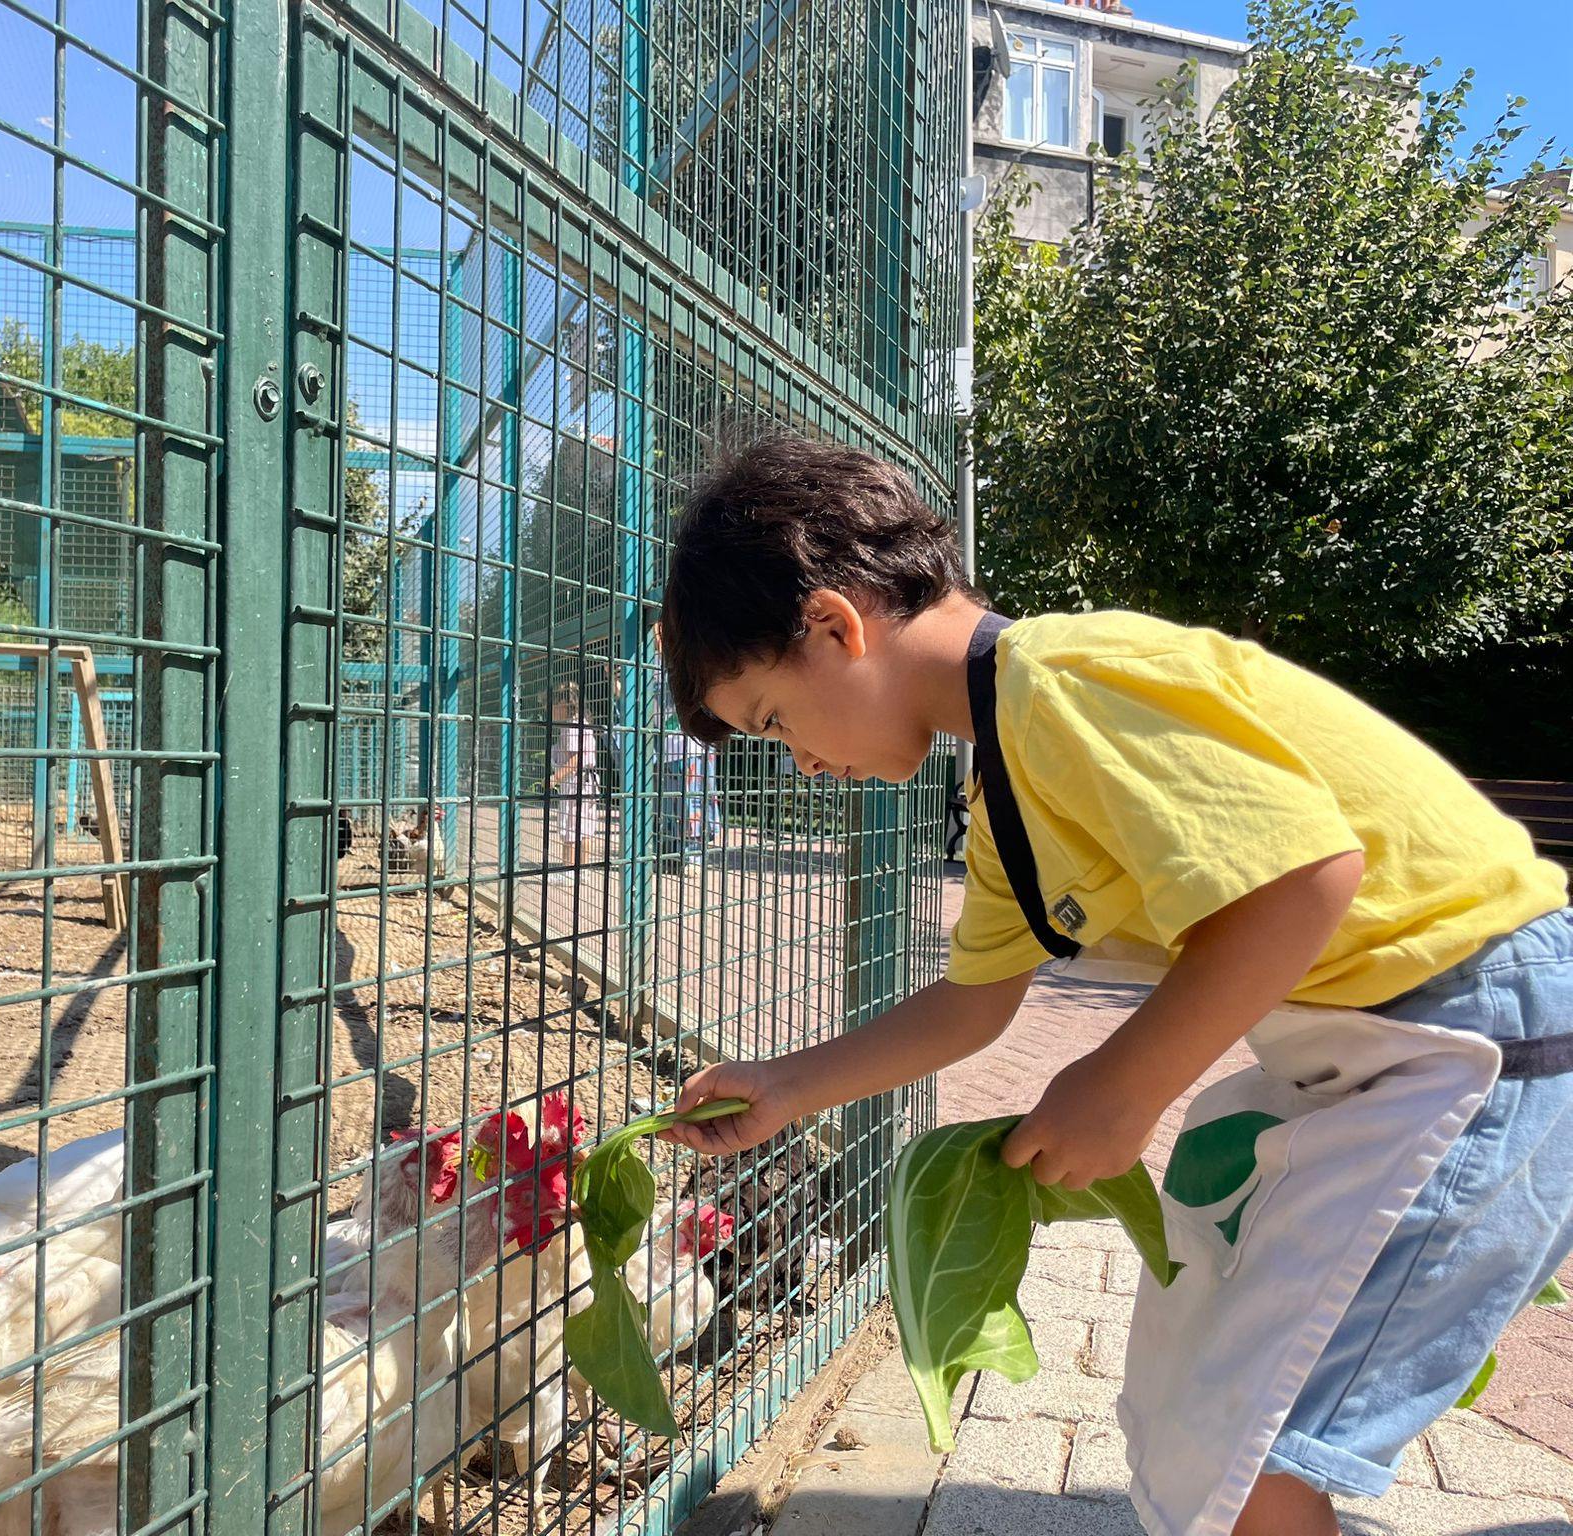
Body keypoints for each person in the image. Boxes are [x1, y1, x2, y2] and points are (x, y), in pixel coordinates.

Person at [654, 433, 1572, 1536]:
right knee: (1213, 1414)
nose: (800, 760)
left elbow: (1303, 881)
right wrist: (784, 1086)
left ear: (833, 625)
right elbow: (974, 1002)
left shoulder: (1061, 680)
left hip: (1486, 1028)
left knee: (1254, 1446)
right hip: (1397, 1040)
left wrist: (1121, 1086)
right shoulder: (1006, 785)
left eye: (772, 718)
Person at [650, 618, 724, 869]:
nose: (658, 638)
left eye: (661, 633)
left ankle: (694, 856)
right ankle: (673, 853)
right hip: (664, 749)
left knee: (694, 802)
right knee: (670, 804)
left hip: (693, 747)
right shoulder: (650, 663)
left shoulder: (687, 659)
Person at [547, 680, 601, 885]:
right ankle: (582, 869)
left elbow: (576, 758)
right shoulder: (582, 722)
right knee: (584, 826)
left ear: (564, 704)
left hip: (575, 782)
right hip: (587, 781)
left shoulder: (571, 726)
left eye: (553, 705)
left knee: (570, 824)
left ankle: (569, 870)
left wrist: (555, 777)